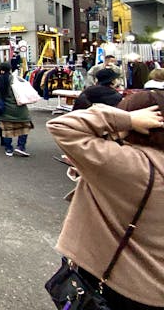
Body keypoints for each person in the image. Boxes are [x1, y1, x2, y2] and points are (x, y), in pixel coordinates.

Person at [46, 91, 164, 309]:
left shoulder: (126, 163)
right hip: (155, 288)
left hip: (115, 282)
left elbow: (62, 126)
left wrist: (125, 119)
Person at [0, 61, 34, 157]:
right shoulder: (17, 79)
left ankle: (8, 149)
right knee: (24, 128)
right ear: (10, 69)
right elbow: (27, 89)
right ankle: (20, 147)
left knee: (7, 131)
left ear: (0, 70)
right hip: (20, 109)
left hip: (4, 110)